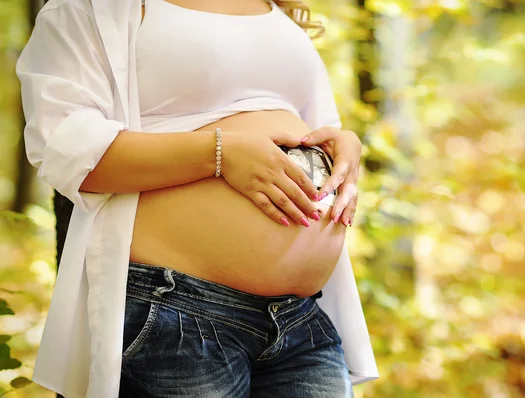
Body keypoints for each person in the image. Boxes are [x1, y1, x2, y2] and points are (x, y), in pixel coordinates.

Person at [17, 0, 379, 396]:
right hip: (176, 312)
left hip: (300, 316)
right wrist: (220, 154)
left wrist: (343, 145)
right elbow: (67, 149)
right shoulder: (92, 6)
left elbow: (309, 124)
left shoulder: (275, 7)